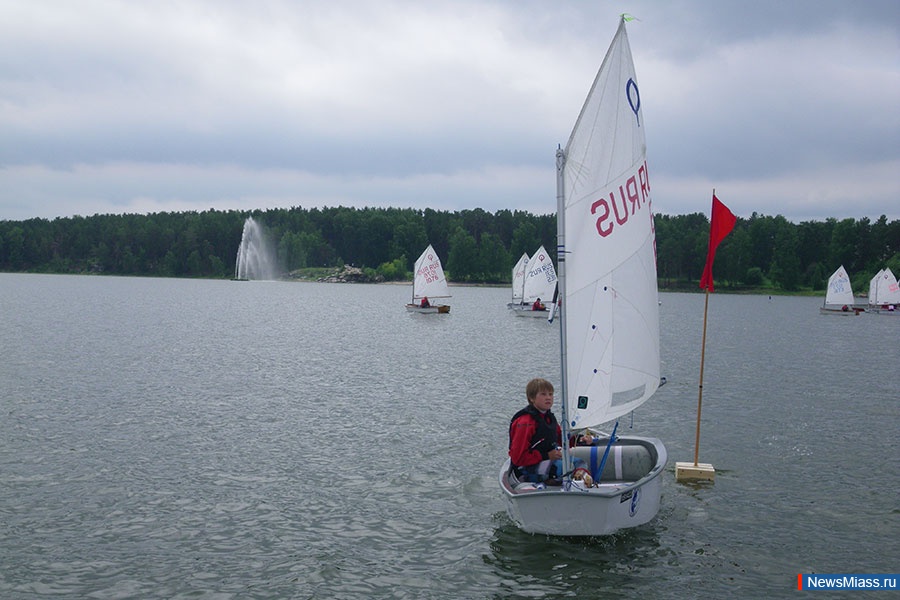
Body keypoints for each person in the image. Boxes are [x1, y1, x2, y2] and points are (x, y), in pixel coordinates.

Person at [508, 378, 591, 483]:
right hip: (525, 468)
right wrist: (547, 456)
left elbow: (561, 438)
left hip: (545, 461)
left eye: (551, 394)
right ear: (532, 398)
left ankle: (580, 485)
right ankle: (562, 483)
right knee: (566, 468)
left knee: (580, 463)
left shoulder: (547, 418)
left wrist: (579, 439)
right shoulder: (525, 423)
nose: (548, 398)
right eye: (543, 394)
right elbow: (518, 458)